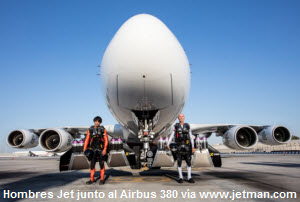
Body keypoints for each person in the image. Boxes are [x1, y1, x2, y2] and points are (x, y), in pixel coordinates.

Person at [167, 113, 195, 183]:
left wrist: (193, 147)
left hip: (187, 146)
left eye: (182, 116)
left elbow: (191, 136)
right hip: (179, 146)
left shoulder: (187, 126)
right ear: (178, 118)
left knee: (188, 162)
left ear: (184, 117)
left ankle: (189, 177)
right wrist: (168, 143)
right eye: (180, 116)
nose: (181, 117)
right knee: (179, 162)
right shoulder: (176, 126)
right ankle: (180, 177)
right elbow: (172, 135)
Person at [83, 116, 108, 185]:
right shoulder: (90, 129)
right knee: (92, 164)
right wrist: (84, 149)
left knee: (101, 164)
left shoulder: (103, 129)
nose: (97, 123)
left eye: (98, 121)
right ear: (94, 121)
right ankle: (92, 179)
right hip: (92, 149)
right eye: (96, 121)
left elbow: (106, 139)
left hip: (101, 149)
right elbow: (87, 139)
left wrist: (105, 149)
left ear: (100, 122)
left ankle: (102, 179)